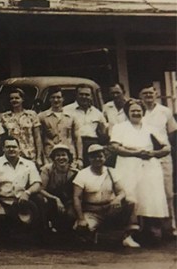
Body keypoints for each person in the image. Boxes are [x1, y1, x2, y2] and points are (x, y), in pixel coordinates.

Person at [110, 99, 170, 242]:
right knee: (131, 196)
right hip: (127, 166)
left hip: (149, 166)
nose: (136, 113)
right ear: (127, 112)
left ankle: (150, 229)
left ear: (143, 112)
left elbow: (167, 148)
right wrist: (135, 153)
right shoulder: (120, 128)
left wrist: (153, 154)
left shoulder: (151, 128)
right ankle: (130, 232)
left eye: (138, 110)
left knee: (149, 197)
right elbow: (115, 148)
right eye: (133, 111)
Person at [73, 144, 138, 247]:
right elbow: (77, 197)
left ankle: (127, 236)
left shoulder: (111, 172)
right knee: (82, 232)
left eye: (100, 156)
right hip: (92, 212)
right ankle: (96, 234)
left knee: (130, 201)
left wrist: (117, 199)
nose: (97, 159)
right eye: (94, 157)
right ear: (89, 158)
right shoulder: (82, 174)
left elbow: (122, 192)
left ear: (105, 157)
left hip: (110, 208)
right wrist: (81, 218)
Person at [0, 135, 45, 235]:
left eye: (14, 147)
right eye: (8, 147)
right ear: (3, 149)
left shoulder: (29, 164)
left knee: (39, 199)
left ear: (19, 148)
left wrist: (27, 192)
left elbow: (37, 183)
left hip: (23, 201)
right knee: (9, 235)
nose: (11, 149)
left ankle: (41, 233)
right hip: (4, 202)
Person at [137, 85, 176, 237]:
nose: (148, 95)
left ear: (156, 94)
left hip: (163, 155)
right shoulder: (138, 110)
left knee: (167, 191)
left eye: (150, 93)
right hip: (145, 156)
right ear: (140, 96)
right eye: (144, 93)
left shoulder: (165, 111)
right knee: (147, 191)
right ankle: (147, 228)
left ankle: (170, 226)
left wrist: (162, 147)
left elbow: (172, 133)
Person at [65, 85, 107, 165]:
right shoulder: (67, 110)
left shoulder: (97, 112)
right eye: (81, 94)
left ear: (91, 96)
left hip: (92, 145)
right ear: (76, 95)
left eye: (87, 95)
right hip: (73, 144)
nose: (84, 97)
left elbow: (104, 131)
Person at [40, 144, 77, 234]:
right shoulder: (47, 169)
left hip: (68, 200)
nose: (61, 158)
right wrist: (56, 199)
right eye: (58, 155)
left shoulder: (75, 172)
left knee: (70, 215)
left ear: (69, 157)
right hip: (50, 198)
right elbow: (41, 189)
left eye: (63, 155)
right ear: (53, 158)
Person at [0, 88, 42, 166]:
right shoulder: (5, 117)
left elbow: (37, 137)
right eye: (11, 98)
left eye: (17, 98)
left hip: (29, 155)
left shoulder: (31, 115)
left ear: (22, 99)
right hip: (12, 155)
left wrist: (39, 157)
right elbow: (3, 138)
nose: (14, 100)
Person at [39, 88, 79, 168]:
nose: (56, 100)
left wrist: (79, 158)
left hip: (69, 155)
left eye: (58, 97)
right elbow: (39, 139)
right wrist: (41, 158)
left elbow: (77, 137)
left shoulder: (71, 116)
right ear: (49, 99)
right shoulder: (42, 116)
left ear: (63, 99)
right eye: (53, 97)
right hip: (50, 155)